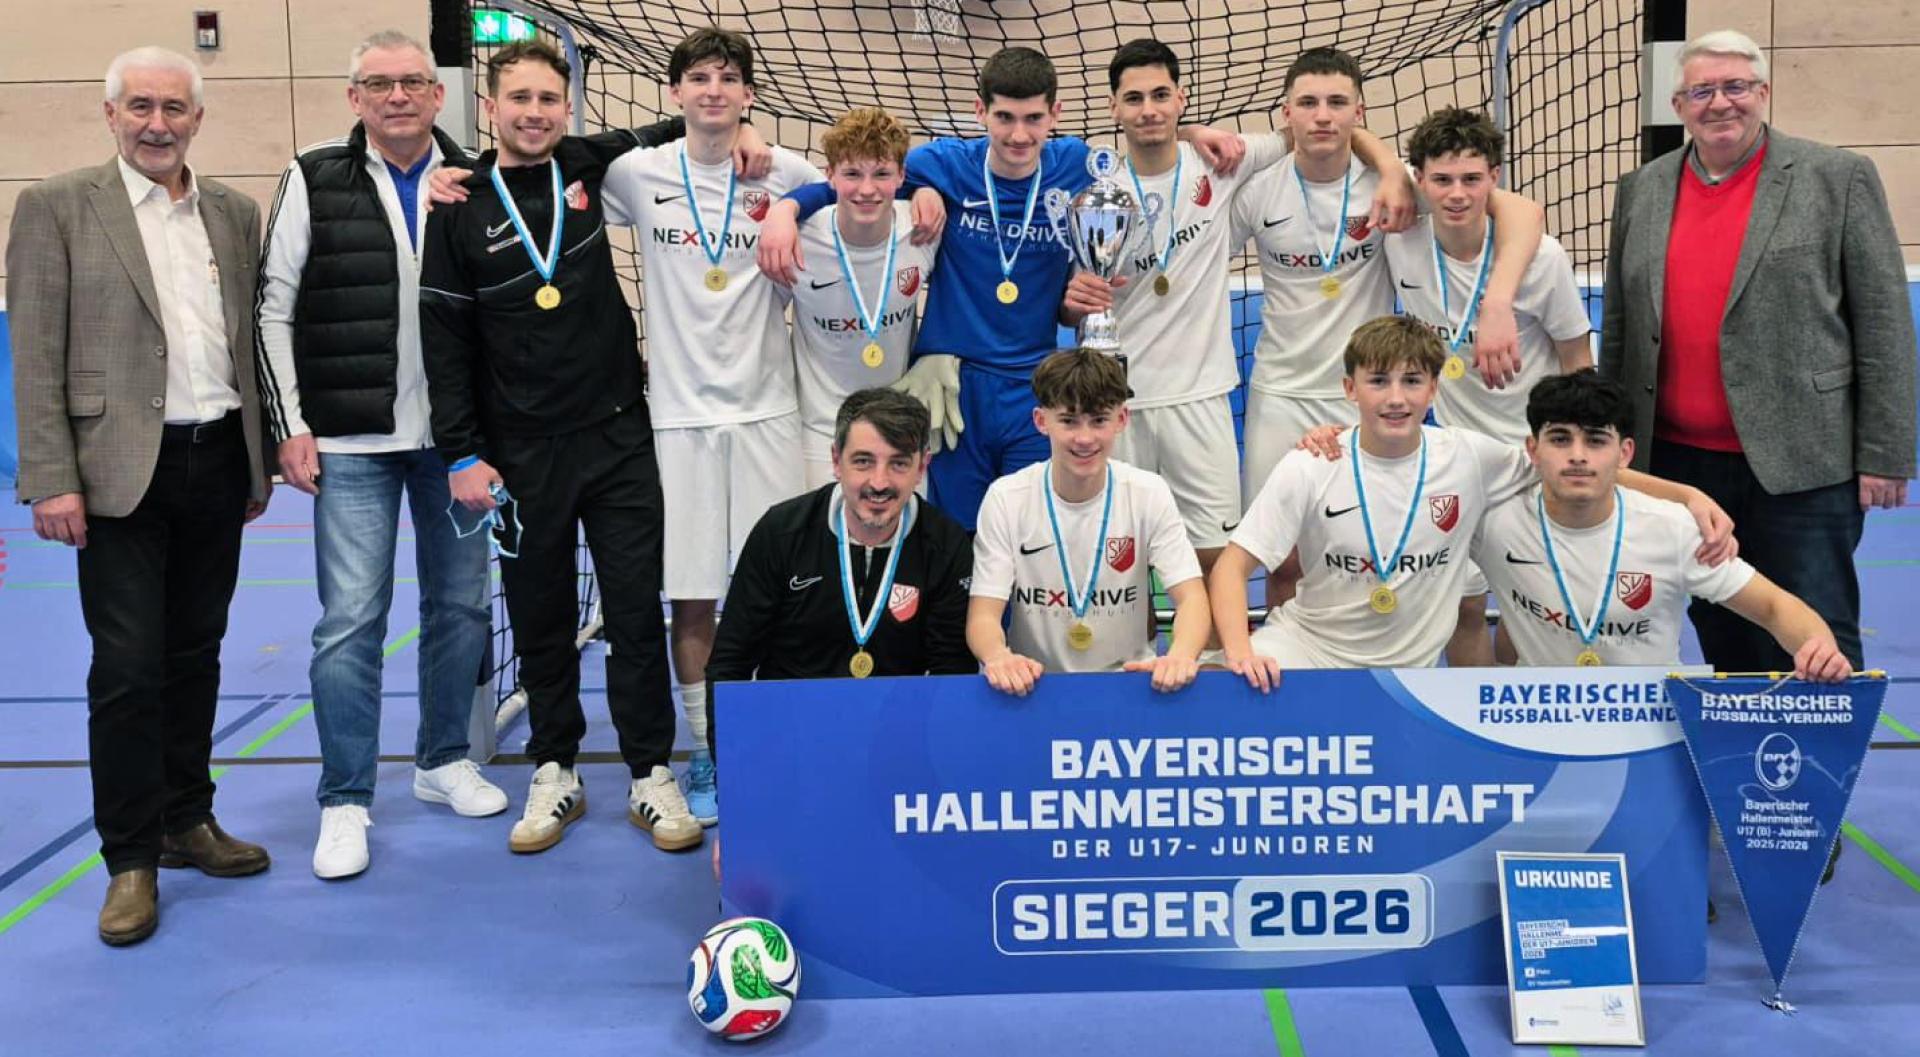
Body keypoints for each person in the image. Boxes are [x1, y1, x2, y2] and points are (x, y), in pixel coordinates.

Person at [8, 46, 274, 945]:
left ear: (198, 118)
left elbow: (249, 346)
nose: (158, 122)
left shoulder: (234, 213)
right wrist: (49, 475)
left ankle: (187, 818)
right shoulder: (55, 207)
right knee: (127, 668)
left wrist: (256, 461)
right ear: (110, 113)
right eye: (140, 107)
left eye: (174, 107)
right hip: (118, 470)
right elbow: (36, 352)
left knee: (198, 653)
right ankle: (130, 858)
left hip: (216, 462)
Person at [756, 45, 1245, 530]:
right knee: (956, 539)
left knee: (1030, 535)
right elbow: (863, 176)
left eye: (1033, 118)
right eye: (1004, 117)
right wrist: (787, 209)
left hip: (1033, 388)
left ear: (1055, 113)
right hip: (953, 388)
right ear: (980, 110)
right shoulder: (944, 164)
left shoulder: (1075, 164)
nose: (1018, 134)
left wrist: (1190, 130)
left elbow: (1145, 141)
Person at [418, 40, 703, 856]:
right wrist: (462, 453)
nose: (537, 113)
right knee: (539, 618)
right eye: (521, 99)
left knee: (636, 615)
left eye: (550, 99)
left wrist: (743, 133)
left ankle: (652, 770)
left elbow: (677, 127)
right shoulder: (459, 205)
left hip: (617, 437)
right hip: (520, 453)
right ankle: (555, 767)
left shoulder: (586, 163)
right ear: (492, 108)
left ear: (568, 108)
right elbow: (444, 344)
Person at [256, 30, 505, 881]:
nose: (397, 96)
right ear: (354, 97)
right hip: (351, 441)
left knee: (462, 610)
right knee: (350, 624)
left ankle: (442, 761)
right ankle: (345, 800)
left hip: (456, 445)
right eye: (379, 83)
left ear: (439, 97)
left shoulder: (479, 176)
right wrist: (291, 423)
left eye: (412, 83)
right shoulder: (314, 173)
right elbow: (272, 307)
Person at [1601, 28, 1915, 677]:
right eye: (1703, 90)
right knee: (1719, 623)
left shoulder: (1837, 177)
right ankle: (1749, 768)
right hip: (1679, 467)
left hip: (1804, 463)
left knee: (1817, 632)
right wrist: (1616, 448)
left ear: (1763, 92)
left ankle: (1822, 770)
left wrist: (1885, 452)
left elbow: (1884, 323)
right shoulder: (1643, 190)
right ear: (1680, 103)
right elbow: (1623, 330)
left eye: (1736, 87)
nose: (1721, 103)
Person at [1207, 317, 1731, 691]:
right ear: (1350, 389)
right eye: (1378, 381)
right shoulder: (1311, 463)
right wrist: (1240, 650)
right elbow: (1233, 568)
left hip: (1411, 673)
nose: (1396, 398)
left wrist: (1688, 495)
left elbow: (1580, 469)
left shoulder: (1469, 457)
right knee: (1215, 688)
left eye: (1412, 382)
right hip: (1310, 648)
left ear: (1434, 389)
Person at [1229, 47, 1547, 618]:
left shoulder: (1396, 189)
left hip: (1372, 393)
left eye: (1336, 103)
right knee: (1285, 562)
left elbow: (1520, 210)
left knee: (1376, 547)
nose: (1322, 116)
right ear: (1286, 112)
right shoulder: (1258, 191)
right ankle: (1292, 675)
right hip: (1279, 392)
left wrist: (1497, 303)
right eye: (1308, 102)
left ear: (1360, 111)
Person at [1381, 106, 1593, 665]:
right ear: (1419, 180)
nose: (1457, 194)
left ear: (1494, 179)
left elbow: (1577, 359)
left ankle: (1514, 709)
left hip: (1532, 457)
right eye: (1443, 180)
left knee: (1533, 608)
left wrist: (1582, 444)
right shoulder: (1401, 242)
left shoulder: (1541, 259)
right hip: (1460, 456)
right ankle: (1476, 730)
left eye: (1472, 179)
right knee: (1465, 604)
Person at [1473, 371, 1850, 681]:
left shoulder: (1673, 530)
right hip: (1542, 721)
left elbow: (1773, 605)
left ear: (1625, 454)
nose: (1577, 455)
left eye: (1595, 440)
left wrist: (1818, 645)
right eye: (1559, 439)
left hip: (1654, 725)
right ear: (1532, 449)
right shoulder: (1494, 522)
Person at [968, 348, 1211, 696]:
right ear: (1041, 421)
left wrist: (1181, 656)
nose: (1084, 438)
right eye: (1069, 420)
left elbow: (1191, 598)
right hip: (1034, 688)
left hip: (1130, 685)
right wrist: (998, 657)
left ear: (1122, 420)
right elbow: (983, 615)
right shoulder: (1007, 498)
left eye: (1098, 420)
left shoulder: (1148, 493)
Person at [785, 107, 939, 487]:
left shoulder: (923, 231)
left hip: (899, 427)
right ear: (830, 175)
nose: (867, 189)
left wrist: (929, 190)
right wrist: (781, 211)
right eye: (852, 174)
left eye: (882, 174)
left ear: (902, 176)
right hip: (819, 431)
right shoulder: (797, 239)